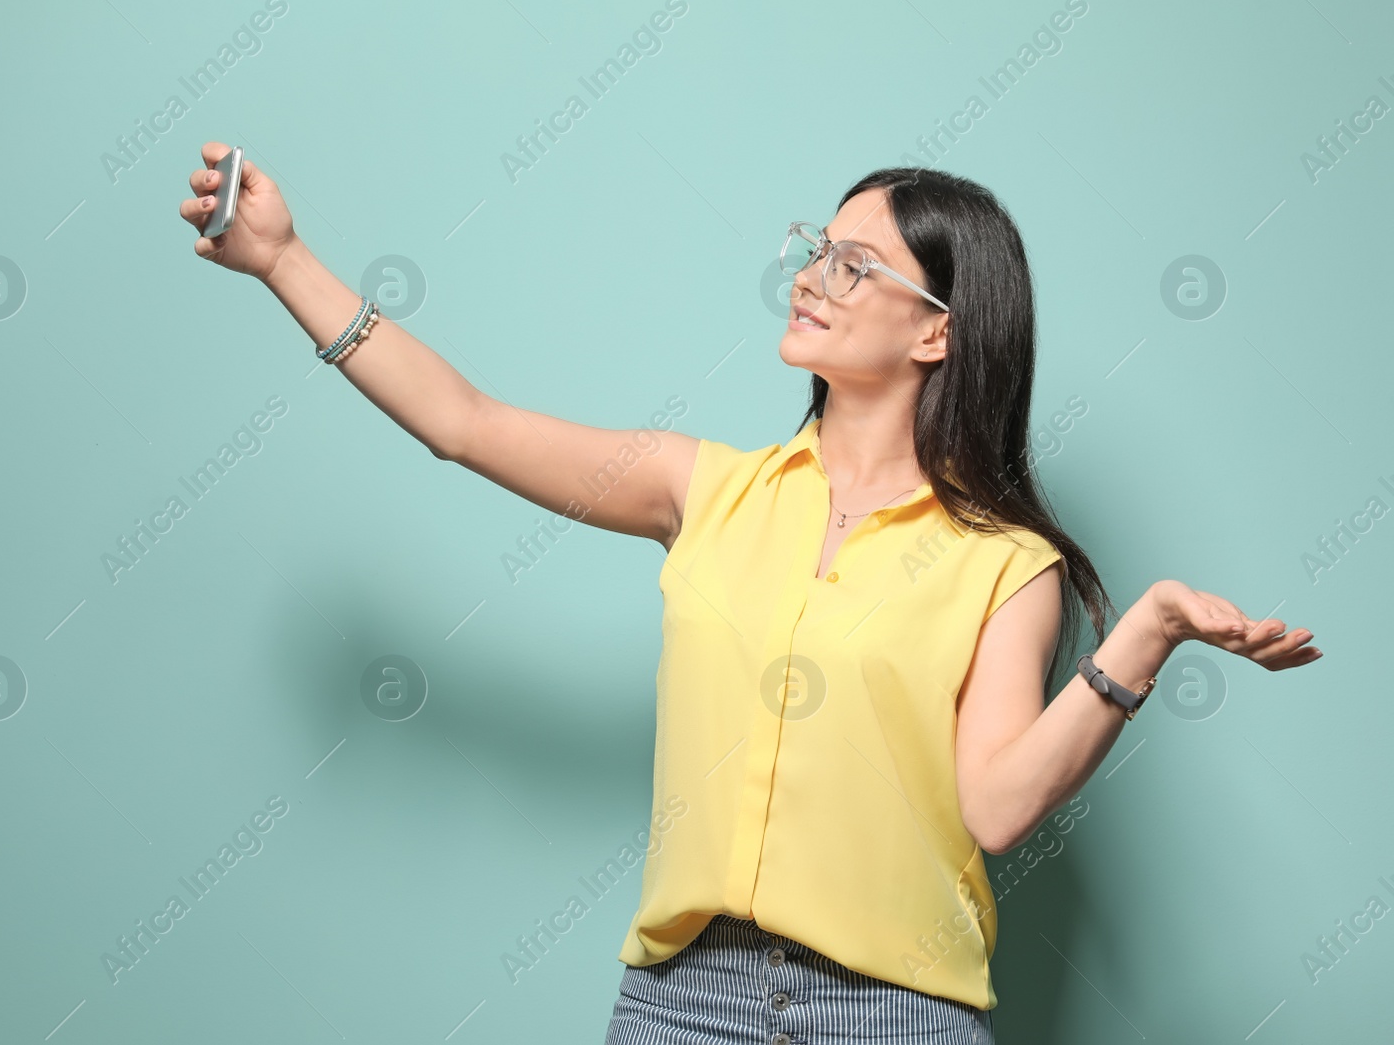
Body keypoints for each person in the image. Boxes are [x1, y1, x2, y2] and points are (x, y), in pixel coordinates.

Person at [177, 147, 1321, 1043]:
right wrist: (283, 258)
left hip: (896, 1019)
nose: (814, 279)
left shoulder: (1000, 565)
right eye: (817, 249)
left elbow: (997, 808)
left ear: (936, 332)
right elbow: (465, 425)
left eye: (855, 265)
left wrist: (1145, 634)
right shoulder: (703, 490)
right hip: (681, 1009)